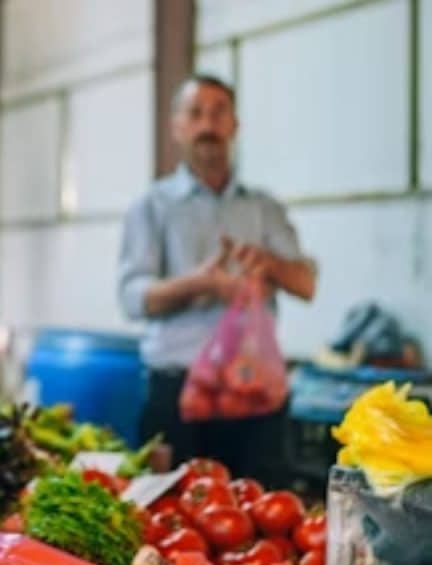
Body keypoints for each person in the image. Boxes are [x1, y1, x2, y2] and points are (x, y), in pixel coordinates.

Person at [118, 75, 317, 482]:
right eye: (195, 113)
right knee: (172, 521)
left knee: (265, 520)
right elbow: (133, 298)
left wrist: (267, 263)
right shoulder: (151, 207)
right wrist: (201, 283)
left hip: (254, 397)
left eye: (218, 112)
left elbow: (306, 284)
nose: (207, 124)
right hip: (177, 395)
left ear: (234, 125)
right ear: (177, 126)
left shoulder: (263, 208)